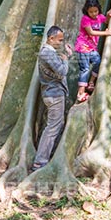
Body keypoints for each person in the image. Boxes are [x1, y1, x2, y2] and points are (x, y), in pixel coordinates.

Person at [33, 25, 73, 171]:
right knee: (52, 127)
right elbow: (62, 71)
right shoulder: (47, 53)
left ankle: (46, 156)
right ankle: (40, 161)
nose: (61, 43)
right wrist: (66, 58)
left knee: (56, 125)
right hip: (54, 94)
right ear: (51, 38)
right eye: (59, 40)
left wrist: (65, 56)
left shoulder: (50, 53)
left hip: (53, 93)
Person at [74, 0, 111, 102]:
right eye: (91, 12)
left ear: (98, 9)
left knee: (98, 61)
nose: (93, 14)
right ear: (86, 11)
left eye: (95, 11)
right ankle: (80, 93)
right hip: (82, 48)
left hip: (92, 49)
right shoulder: (85, 19)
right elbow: (91, 32)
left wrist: (108, 14)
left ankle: (91, 82)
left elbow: (106, 21)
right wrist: (106, 33)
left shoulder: (98, 17)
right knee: (84, 69)